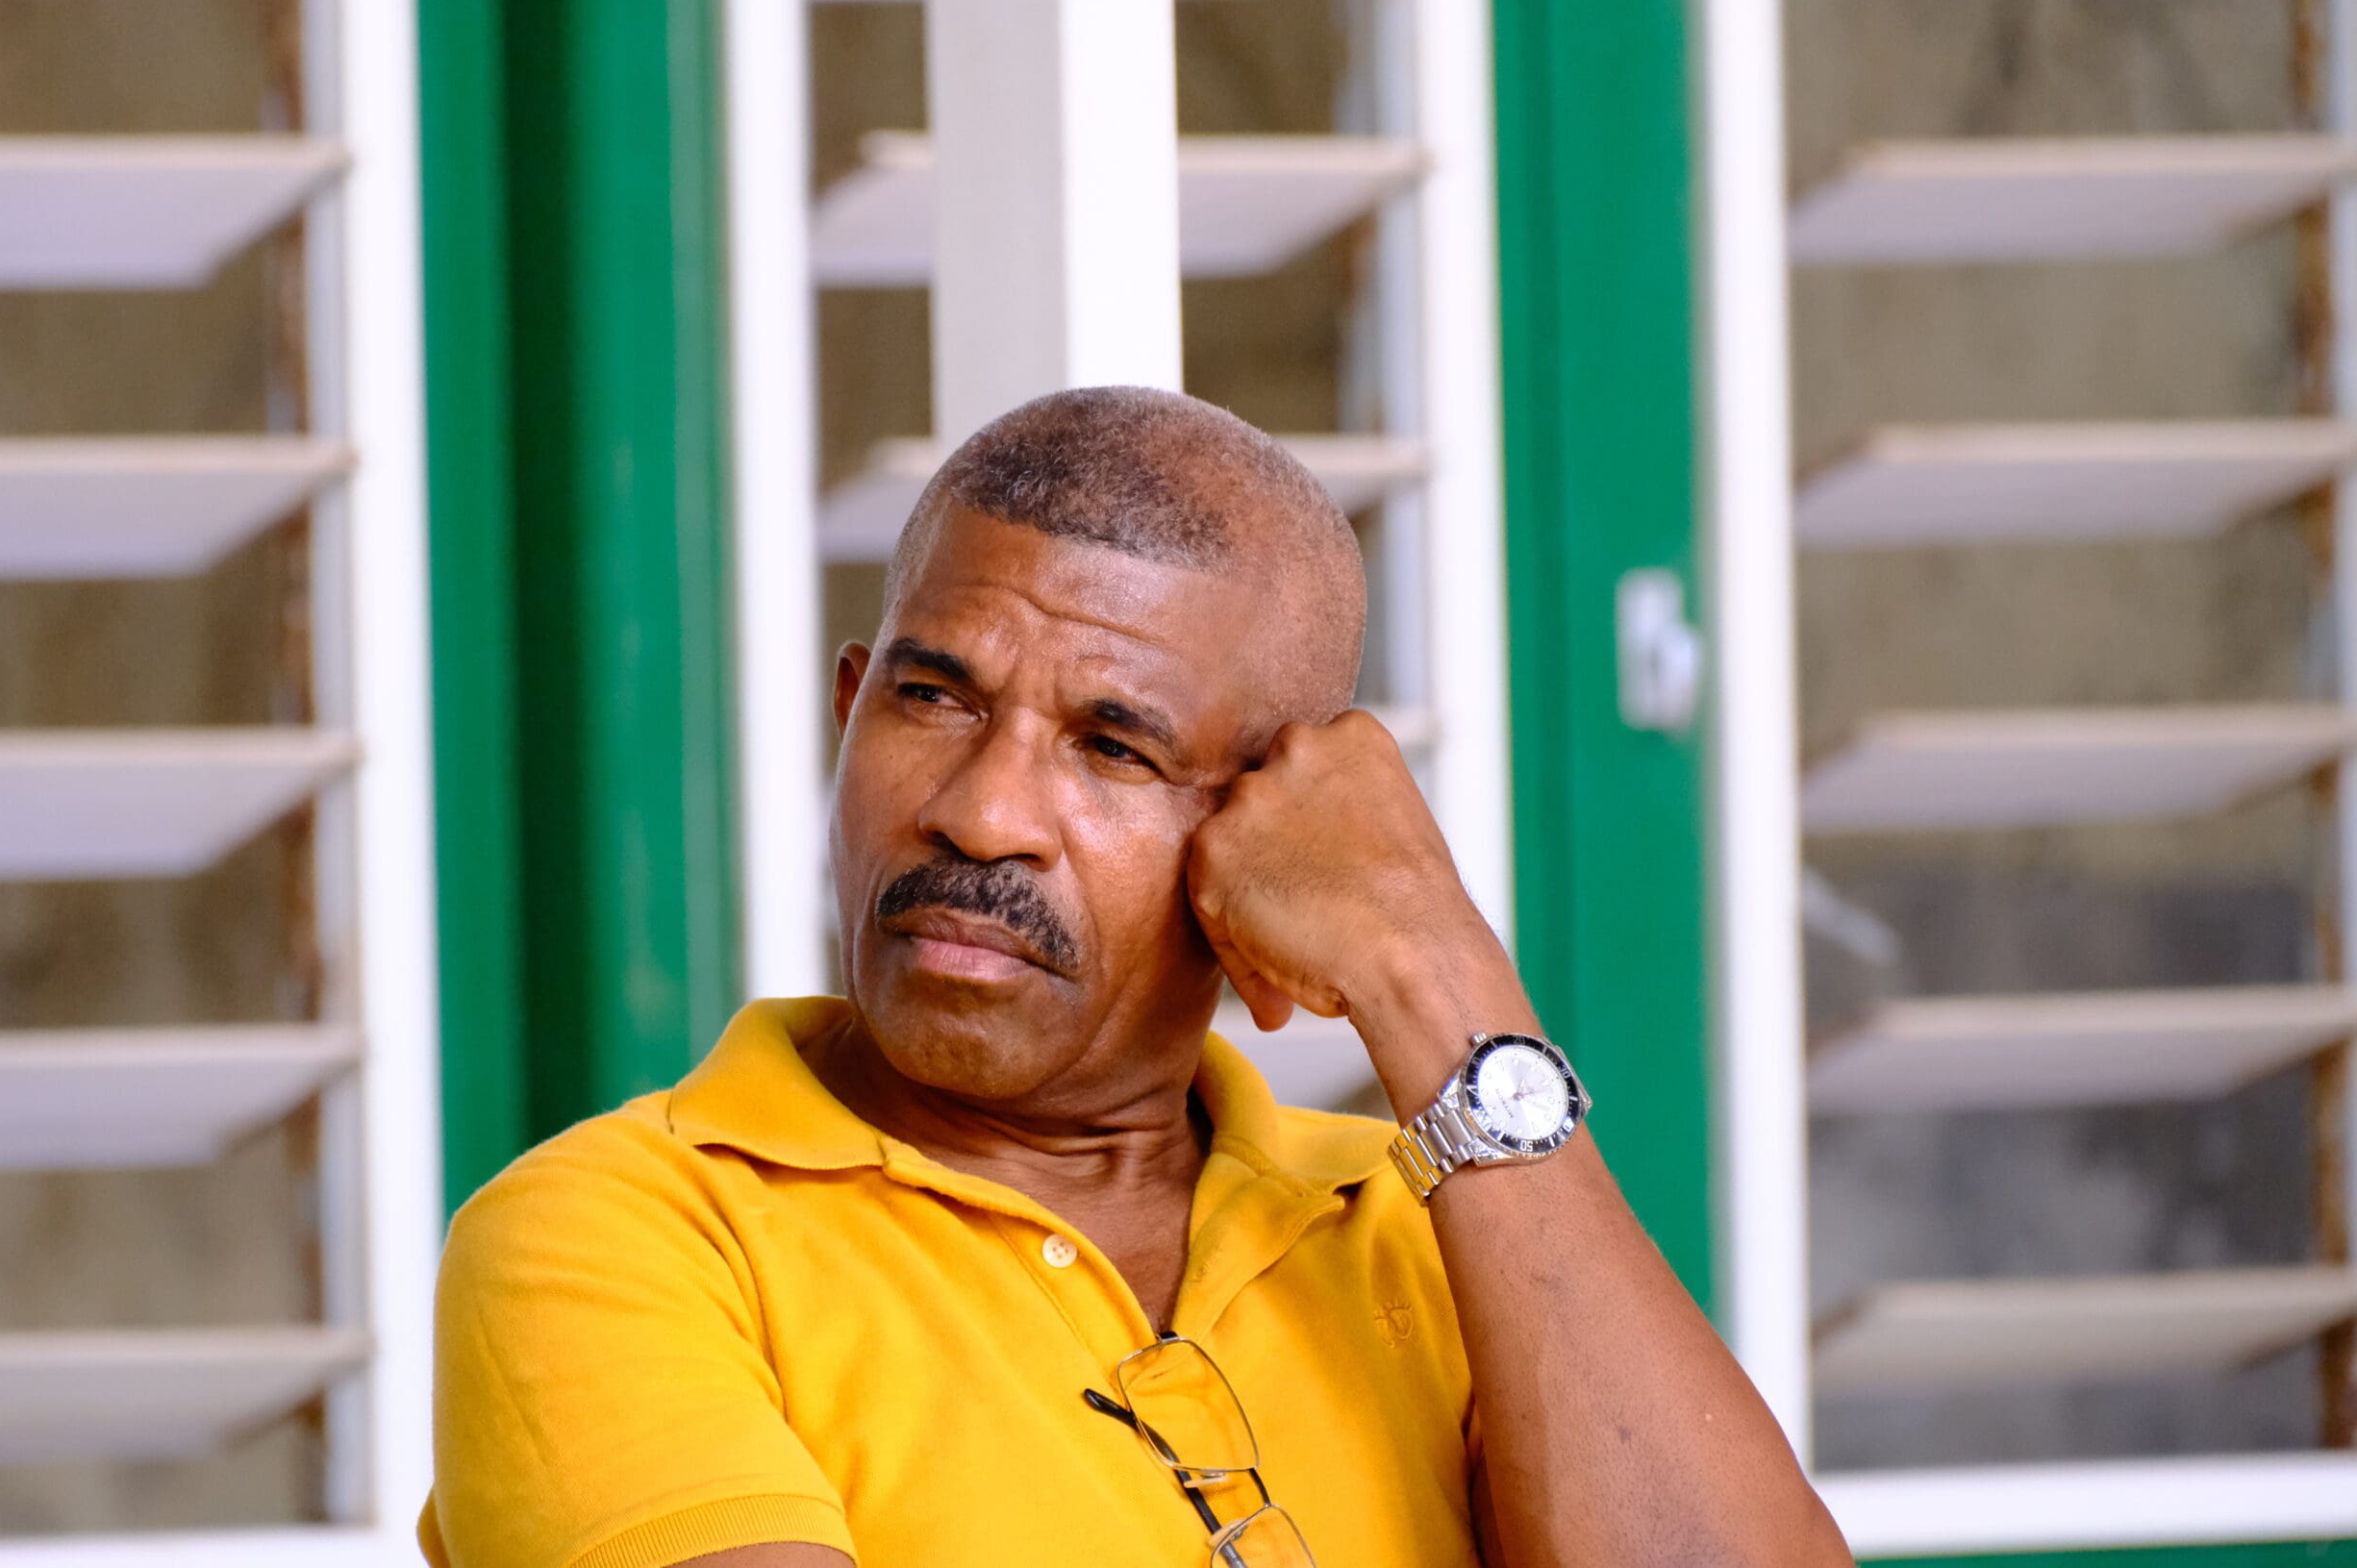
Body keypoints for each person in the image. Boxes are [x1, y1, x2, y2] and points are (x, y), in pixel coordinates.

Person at [420, 386, 1848, 1568]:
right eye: (934, 699)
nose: (982, 814)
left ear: (1270, 835)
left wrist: (1436, 971)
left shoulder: (1425, 1229)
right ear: (848, 713)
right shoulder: (618, 1241)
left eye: (1114, 747)